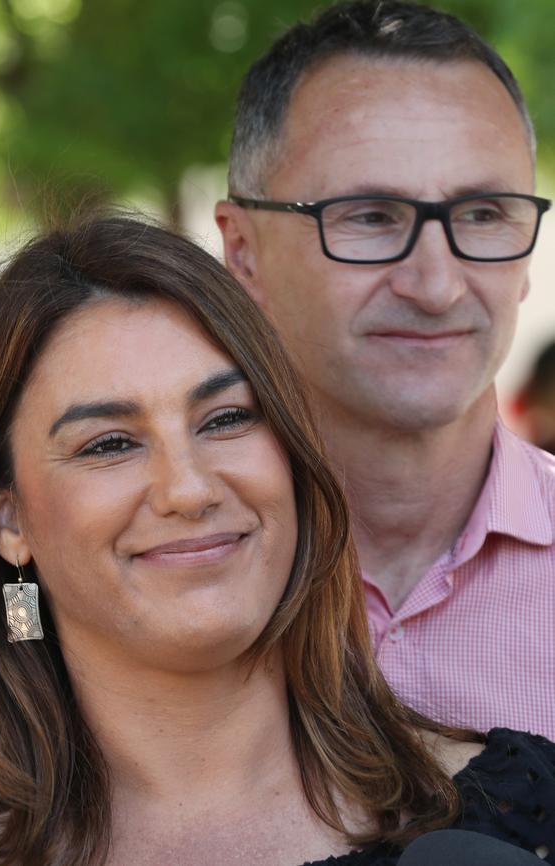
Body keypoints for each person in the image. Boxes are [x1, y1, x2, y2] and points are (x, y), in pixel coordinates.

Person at [0, 212, 554, 866]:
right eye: (109, 443)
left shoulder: (520, 816)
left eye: (227, 419)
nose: (188, 490)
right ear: (7, 520)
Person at [214, 0, 555, 738]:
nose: (435, 285)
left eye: (484, 214)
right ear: (242, 251)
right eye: (370, 216)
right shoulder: (125, 568)